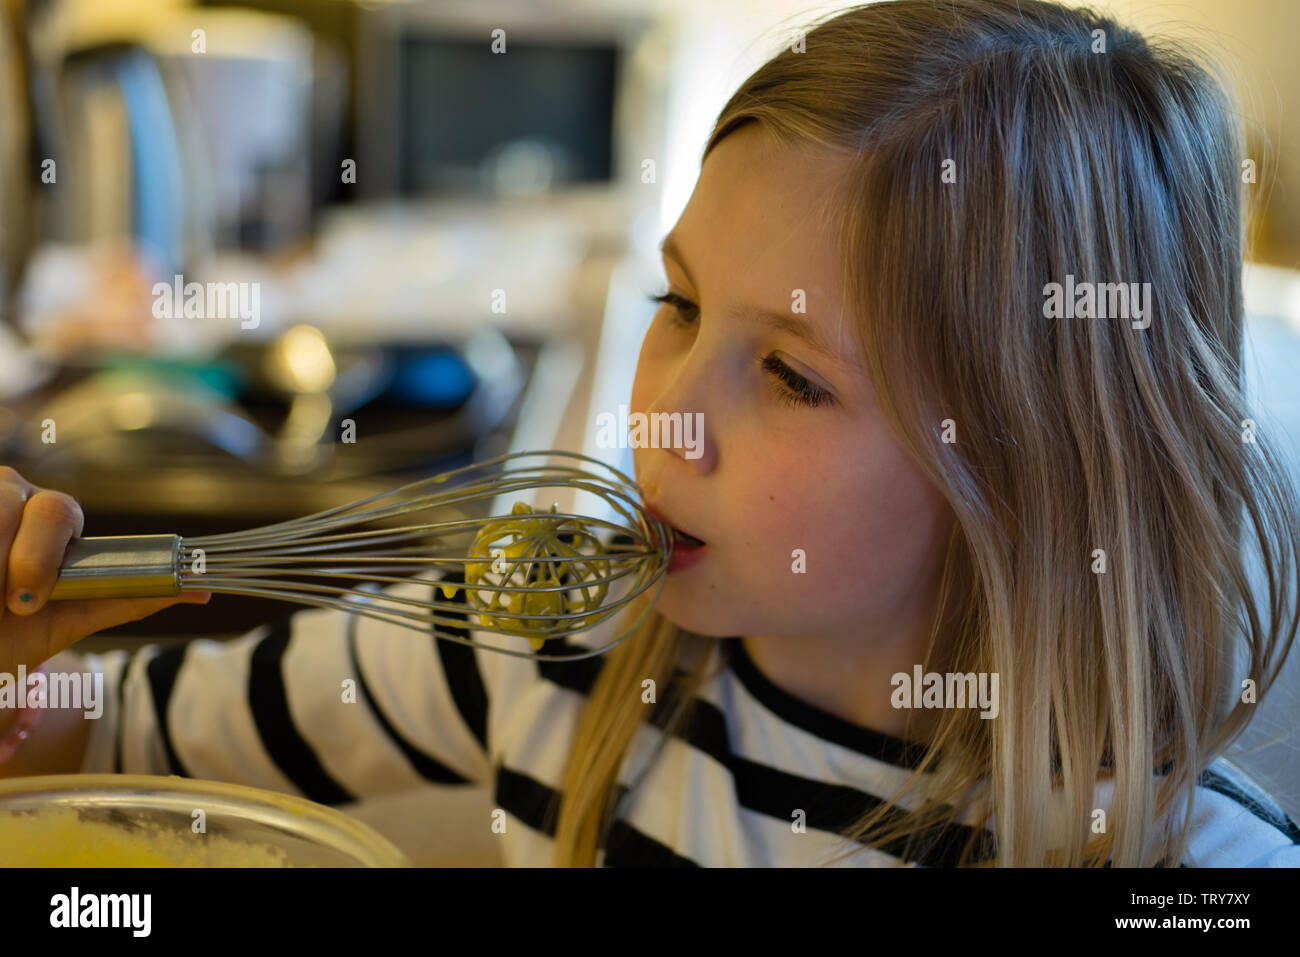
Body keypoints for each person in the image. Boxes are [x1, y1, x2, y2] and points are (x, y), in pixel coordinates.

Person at [2, 0, 1298, 866]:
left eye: (791, 375)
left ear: (1033, 467)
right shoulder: (540, 640)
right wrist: (27, 667)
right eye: (676, 303)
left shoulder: (1184, 862)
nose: (666, 408)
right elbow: (115, 736)